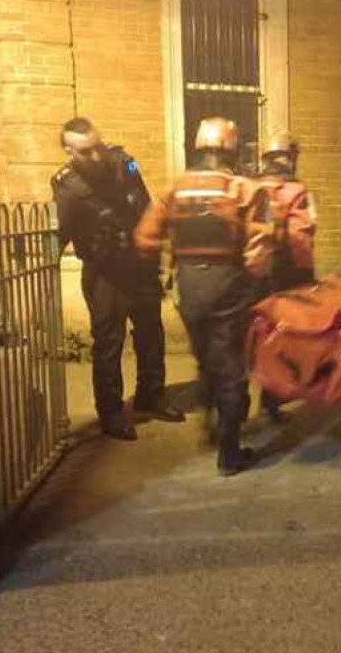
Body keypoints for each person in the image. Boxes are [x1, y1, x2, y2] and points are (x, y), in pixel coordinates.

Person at [135, 117, 273, 476]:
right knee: (230, 366)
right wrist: (253, 286)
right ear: (233, 149)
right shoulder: (244, 189)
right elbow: (259, 247)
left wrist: (162, 273)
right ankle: (229, 454)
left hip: (188, 286)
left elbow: (146, 237)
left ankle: (210, 425)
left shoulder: (175, 188)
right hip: (228, 284)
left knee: (206, 357)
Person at [52, 117, 184, 441]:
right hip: (104, 273)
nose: (96, 156)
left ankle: (150, 395)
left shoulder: (125, 163)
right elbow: (61, 232)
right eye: (85, 152)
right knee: (109, 344)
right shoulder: (66, 185)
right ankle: (111, 413)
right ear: (69, 151)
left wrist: (158, 250)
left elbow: (146, 204)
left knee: (151, 333)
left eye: (97, 146)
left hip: (139, 265)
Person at [254, 132, 318, 422]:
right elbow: (302, 236)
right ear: (289, 158)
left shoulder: (247, 185)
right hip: (287, 272)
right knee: (280, 335)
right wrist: (306, 278)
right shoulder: (297, 190)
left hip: (252, 272)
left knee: (253, 333)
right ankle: (272, 400)